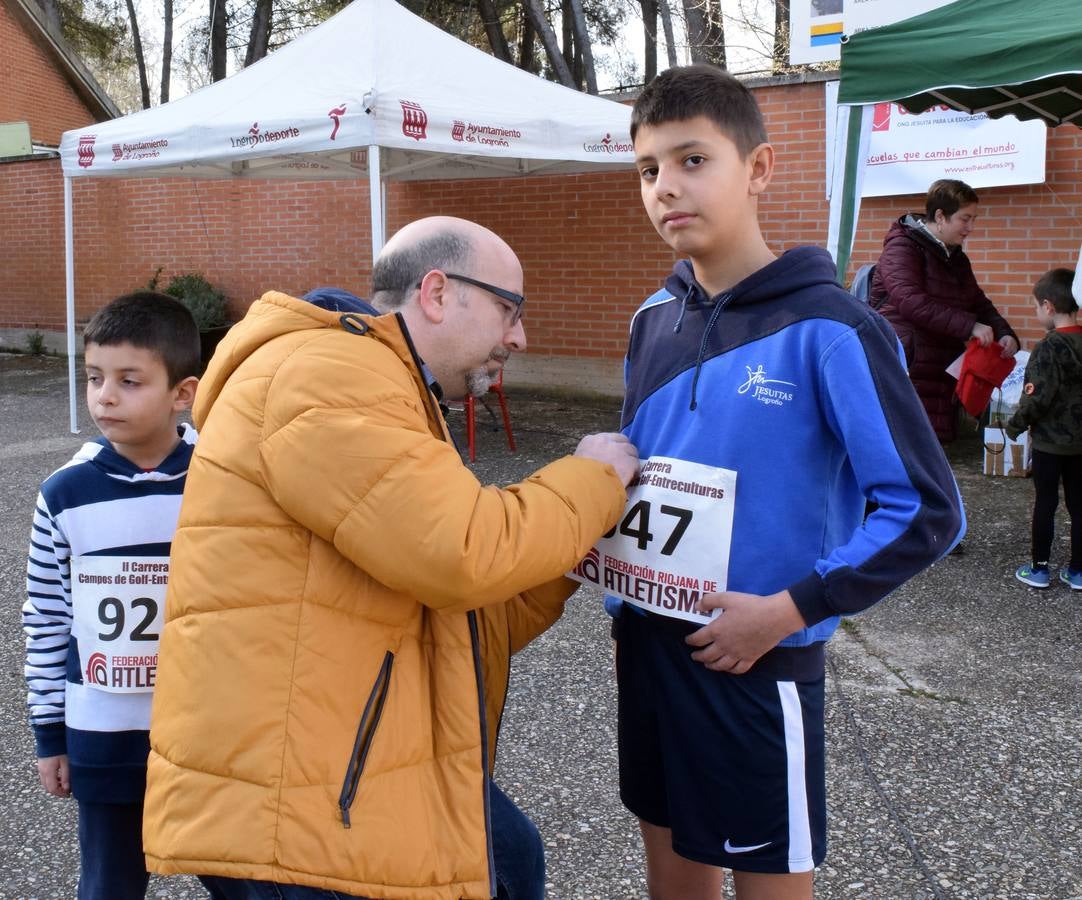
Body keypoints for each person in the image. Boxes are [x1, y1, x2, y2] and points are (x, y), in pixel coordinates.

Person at [142, 216, 640, 900]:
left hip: (324, 762)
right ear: (438, 292)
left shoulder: (382, 381)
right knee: (504, 863)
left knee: (509, 857)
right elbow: (462, 552)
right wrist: (593, 481)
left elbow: (454, 612)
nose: (519, 337)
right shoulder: (326, 375)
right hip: (292, 804)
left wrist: (565, 555)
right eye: (509, 310)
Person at [612, 65, 964, 900]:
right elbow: (641, 473)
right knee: (672, 876)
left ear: (759, 168)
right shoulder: (648, 321)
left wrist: (789, 610)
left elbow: (925, 510)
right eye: (648, 169)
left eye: (692, 160)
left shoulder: (833, 328)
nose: (666, 187)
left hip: (758, 658)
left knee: (768, 883)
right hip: (648, 647)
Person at [22, 292, 200, 900]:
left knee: (245, 880)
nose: (105, 396)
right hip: (101, 733)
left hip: (208, 734)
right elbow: (46, 618)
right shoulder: (65, 494)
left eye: (130, 381)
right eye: (95, 378)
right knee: (109, 883)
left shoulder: (222, 483)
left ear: (183, 393)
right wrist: (51, 736)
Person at [870, 178, 1019, 443]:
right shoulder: (902, 246)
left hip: (939, 367)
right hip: (907, 361)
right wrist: (969, 326)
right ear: (940, 216)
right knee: (905, 445)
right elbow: (910, 300)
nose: (970, 228)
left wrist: (1004, 332)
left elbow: (977, 302)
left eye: (973, 219)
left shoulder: (956, 257)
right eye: (965, 219)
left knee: (932, 450)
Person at [1008, 268, 1082, 590]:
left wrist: (1014, 425)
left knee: (1046, 503)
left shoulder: (1048, 347)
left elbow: (1037, 397)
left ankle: (1039, 569)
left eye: (1037, 308)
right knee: (1079, 506)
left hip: (1050, 445)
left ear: (1048, 306)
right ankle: (1078, 571)